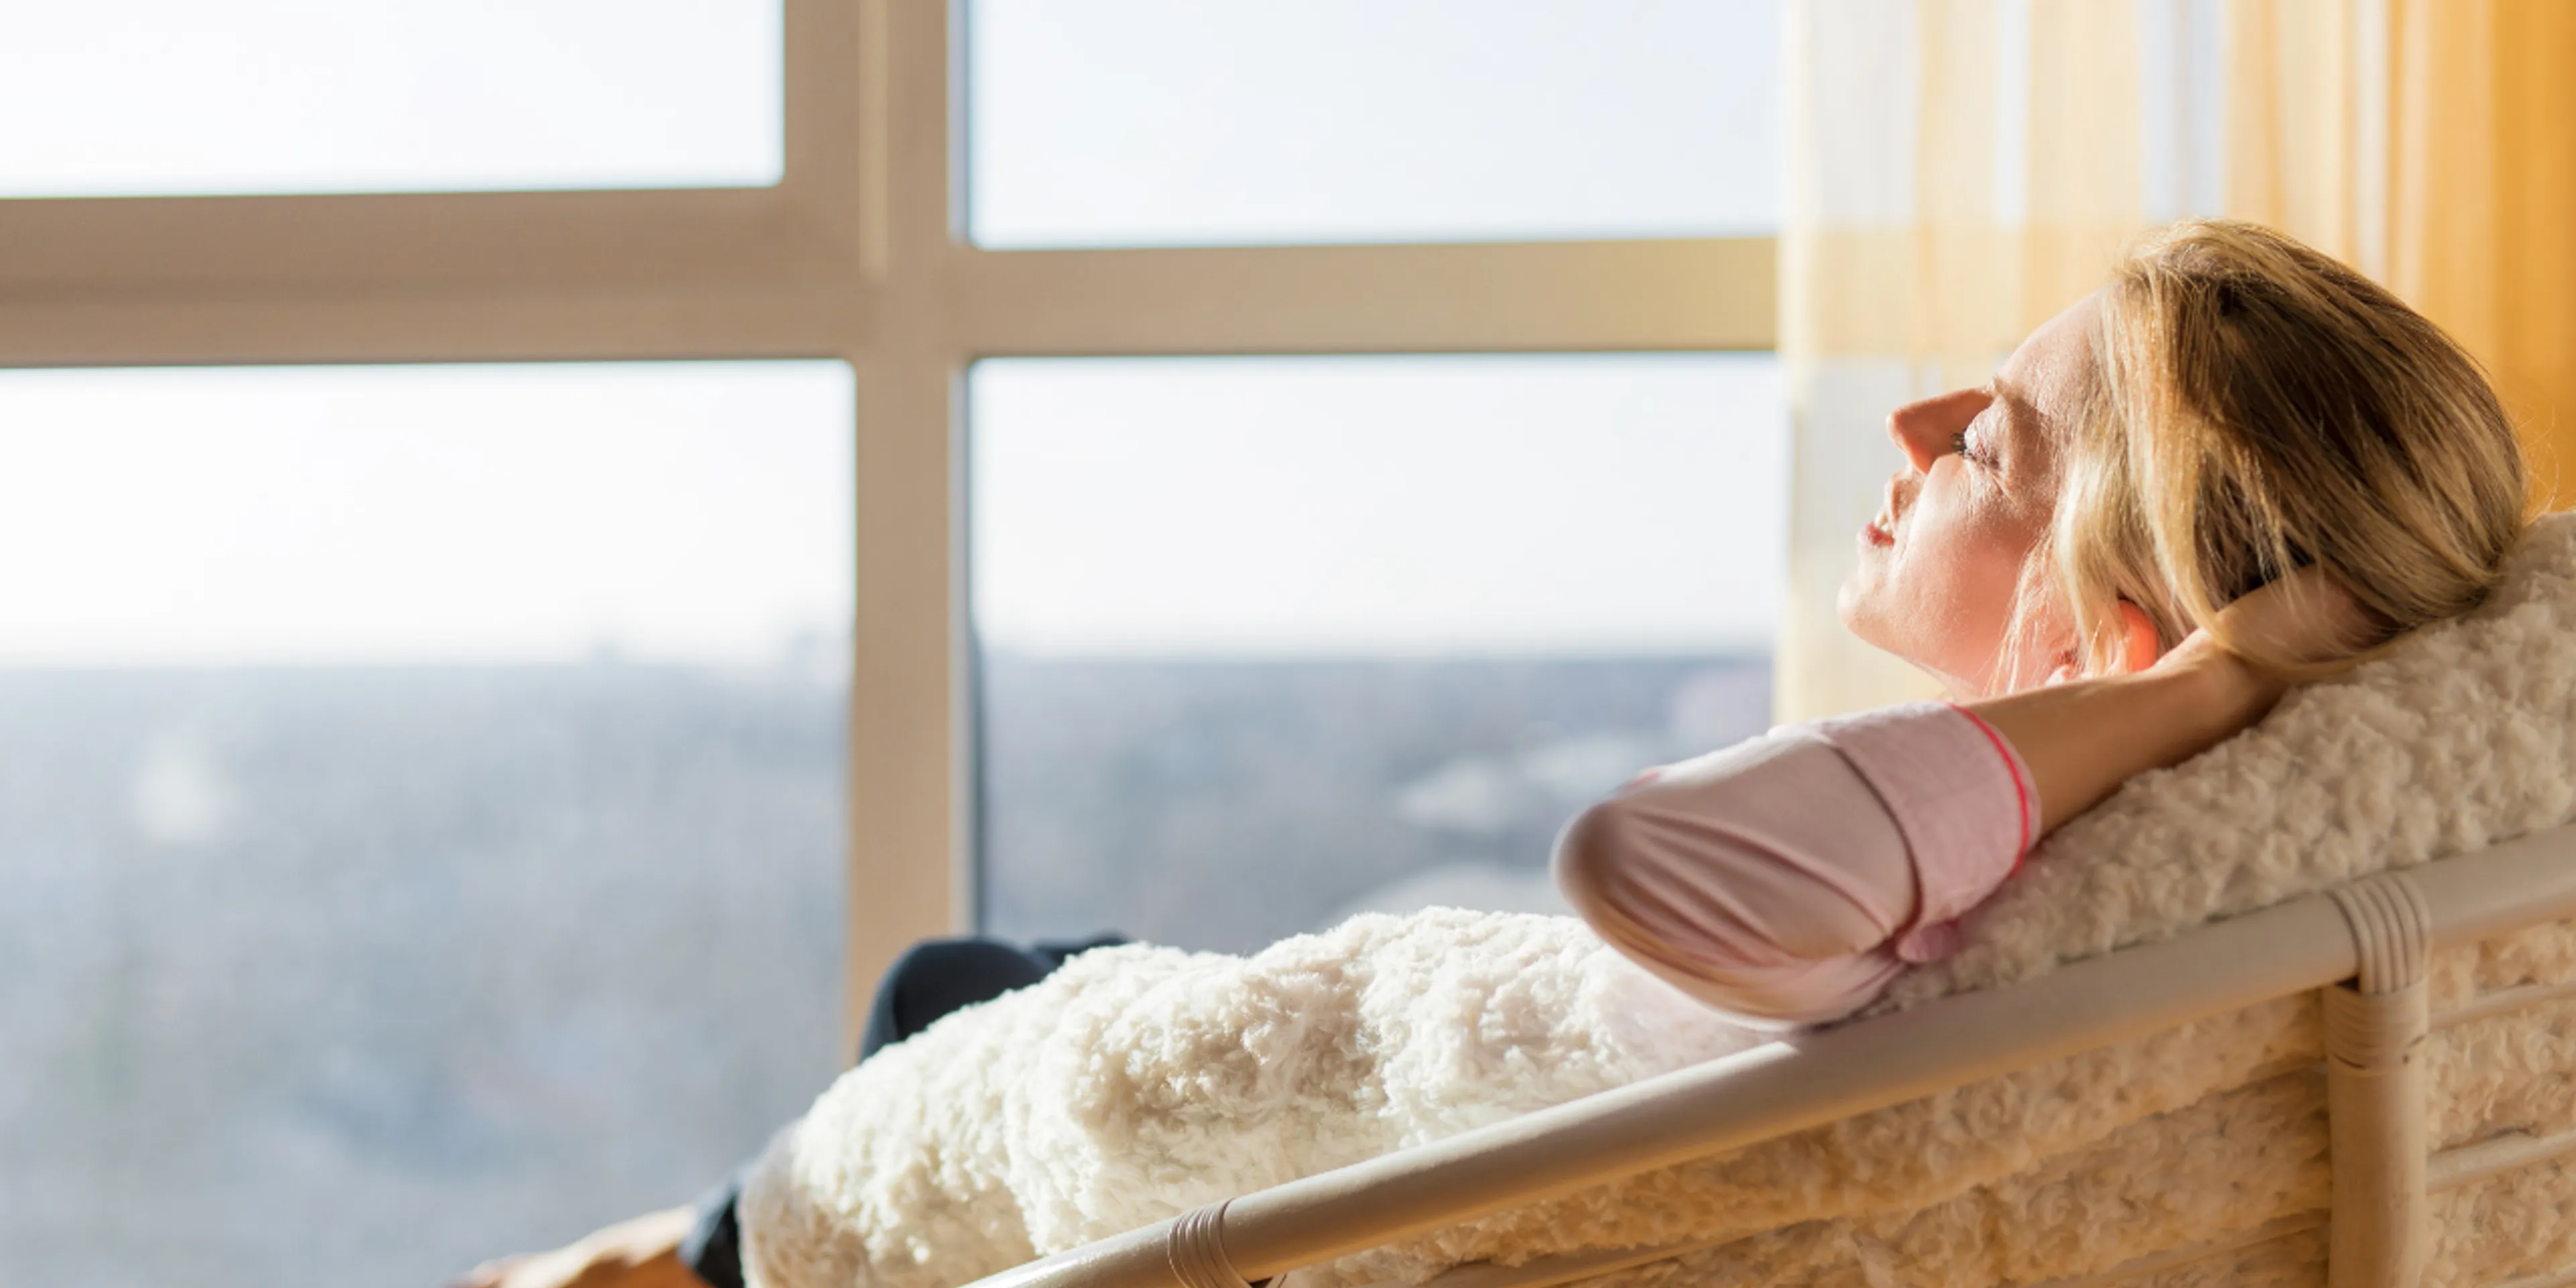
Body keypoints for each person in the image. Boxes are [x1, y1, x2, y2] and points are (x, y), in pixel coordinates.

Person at [456, 219, 2528, 1288]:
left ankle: (663, 1265)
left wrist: (2199, 692)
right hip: (1352, 1082)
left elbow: (1661, 874)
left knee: (945, 1003)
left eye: (1987, 436)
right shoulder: (2145, 885)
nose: (1907, 434)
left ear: (2118, 616)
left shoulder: (2013, 853)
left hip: (1252, 1165)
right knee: (984, 975)